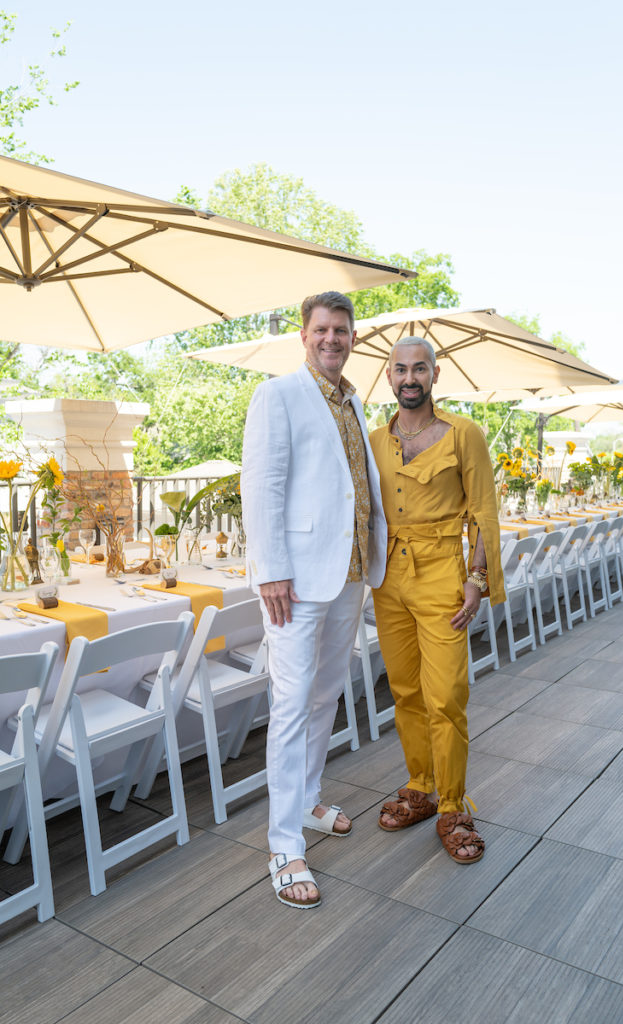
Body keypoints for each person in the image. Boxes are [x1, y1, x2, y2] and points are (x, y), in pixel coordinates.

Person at [241, 291, 387, 909]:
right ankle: (283, 845)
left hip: (348, 572)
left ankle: (307, 799)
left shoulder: (353, 399)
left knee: (326, 692)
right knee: (293, 700)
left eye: (342, 330)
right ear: (304, 336)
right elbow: (263, 484)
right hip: (295, 580)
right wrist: (271, 569)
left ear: (352, 337)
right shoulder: (278, 396)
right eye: (322, 330)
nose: (333, 339)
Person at [369, 337, 505, 863]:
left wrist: (477, 578)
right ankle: (420, 787)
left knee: (446, 694)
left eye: (418, 369)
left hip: (444, 575)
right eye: (400, 369)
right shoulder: (374, 439)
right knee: (404, 690)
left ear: (435, 374)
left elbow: (484, 513)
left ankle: (452, 805)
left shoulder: (463, 434)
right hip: (389, 580)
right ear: (389, 376)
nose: (409, 378)